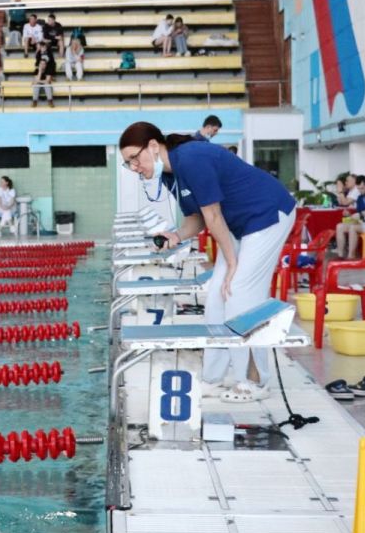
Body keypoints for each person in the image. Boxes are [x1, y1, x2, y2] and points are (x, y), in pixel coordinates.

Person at [119, 121, 296, 401]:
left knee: (239, 294)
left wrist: (231, 264)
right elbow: (198, 219)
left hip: (268, 214)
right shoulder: (170, 175)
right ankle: (213, 379)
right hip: (241, 226)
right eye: (128, 163)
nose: (134, 167)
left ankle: (255, 381)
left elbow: (213, 216)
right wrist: (176, 235)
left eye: (134, 158)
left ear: (153, 146)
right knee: (215, 297)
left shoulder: (191, 158)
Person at [31, 38, 56, 107]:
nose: (42, 65)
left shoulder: (49, 68)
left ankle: (50, 101)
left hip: (46, 79)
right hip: (41, 82)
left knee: (47, 85)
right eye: (41, 64)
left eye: (44, 64)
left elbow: (47, 81)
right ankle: (34, 101)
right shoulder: (37, 69)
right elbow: (36, 81)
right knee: (37, 85)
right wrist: (40, 70)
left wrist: (38, 81)